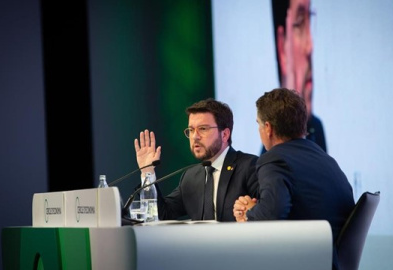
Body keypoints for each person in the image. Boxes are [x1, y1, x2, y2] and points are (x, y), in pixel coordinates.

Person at [233, 88, 354, 269]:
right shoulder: (324, 158)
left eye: (258, 124)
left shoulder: (273, 158)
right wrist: (256, 208)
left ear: (268, 128)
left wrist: (247, 213)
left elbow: (271, 215)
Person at [135, 98, 259, 222]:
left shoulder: (250, 167)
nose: (195, 136)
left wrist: (252, 212)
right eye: (191, 130)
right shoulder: (191, 177)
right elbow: (162, 214)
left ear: (225, 134)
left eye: (203, 129)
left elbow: (271, 210)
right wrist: (148, 173)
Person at [271, 0, 327, 152]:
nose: (310, 47)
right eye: (300, 22)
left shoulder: (316, 128)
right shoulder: (270, 139)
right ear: (282, 47)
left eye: (310, 18)